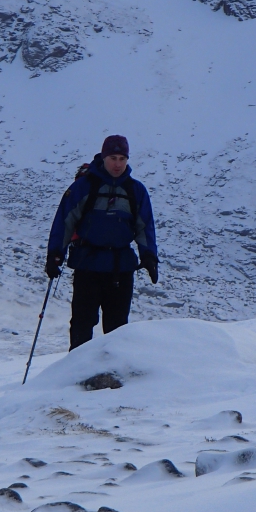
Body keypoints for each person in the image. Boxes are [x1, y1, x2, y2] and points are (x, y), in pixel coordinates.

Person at [46, 135, 158, 351]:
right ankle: (76, 376)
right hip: (88, 265)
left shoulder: (136, 190)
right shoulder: (83, 187)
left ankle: (113, 377)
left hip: (121, 268)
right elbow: (64, 221)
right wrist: (55, 255)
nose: (117, 164)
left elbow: (145, 226)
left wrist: (149, 256)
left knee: (117, 329)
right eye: (113, 158)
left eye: (122, 158)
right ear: (103, 157)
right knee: (82, 324)